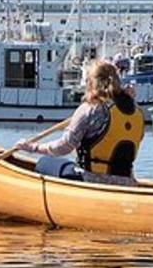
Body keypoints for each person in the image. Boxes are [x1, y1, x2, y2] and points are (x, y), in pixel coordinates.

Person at [15, 59, 144, 186]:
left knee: (44, 163)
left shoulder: (89, 109)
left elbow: (64, 147)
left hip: (91, 180)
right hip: (127, 182)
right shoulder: (136, 111)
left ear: (91, 82)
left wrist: (33, 148)